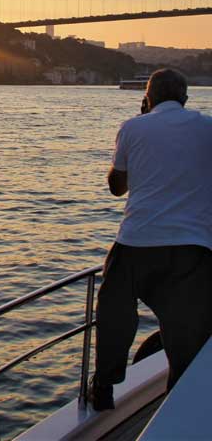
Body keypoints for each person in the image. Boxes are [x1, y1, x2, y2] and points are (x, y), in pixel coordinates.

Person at [89, 68, 212, 410]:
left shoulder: (133, 127)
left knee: (114, 311)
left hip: (137, 242)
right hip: (193, 247)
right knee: (186, 332)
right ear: (185, 98)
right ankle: (179, 405)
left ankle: (104, 386)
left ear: (147, 99)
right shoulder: (208, 128)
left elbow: (117, 187)